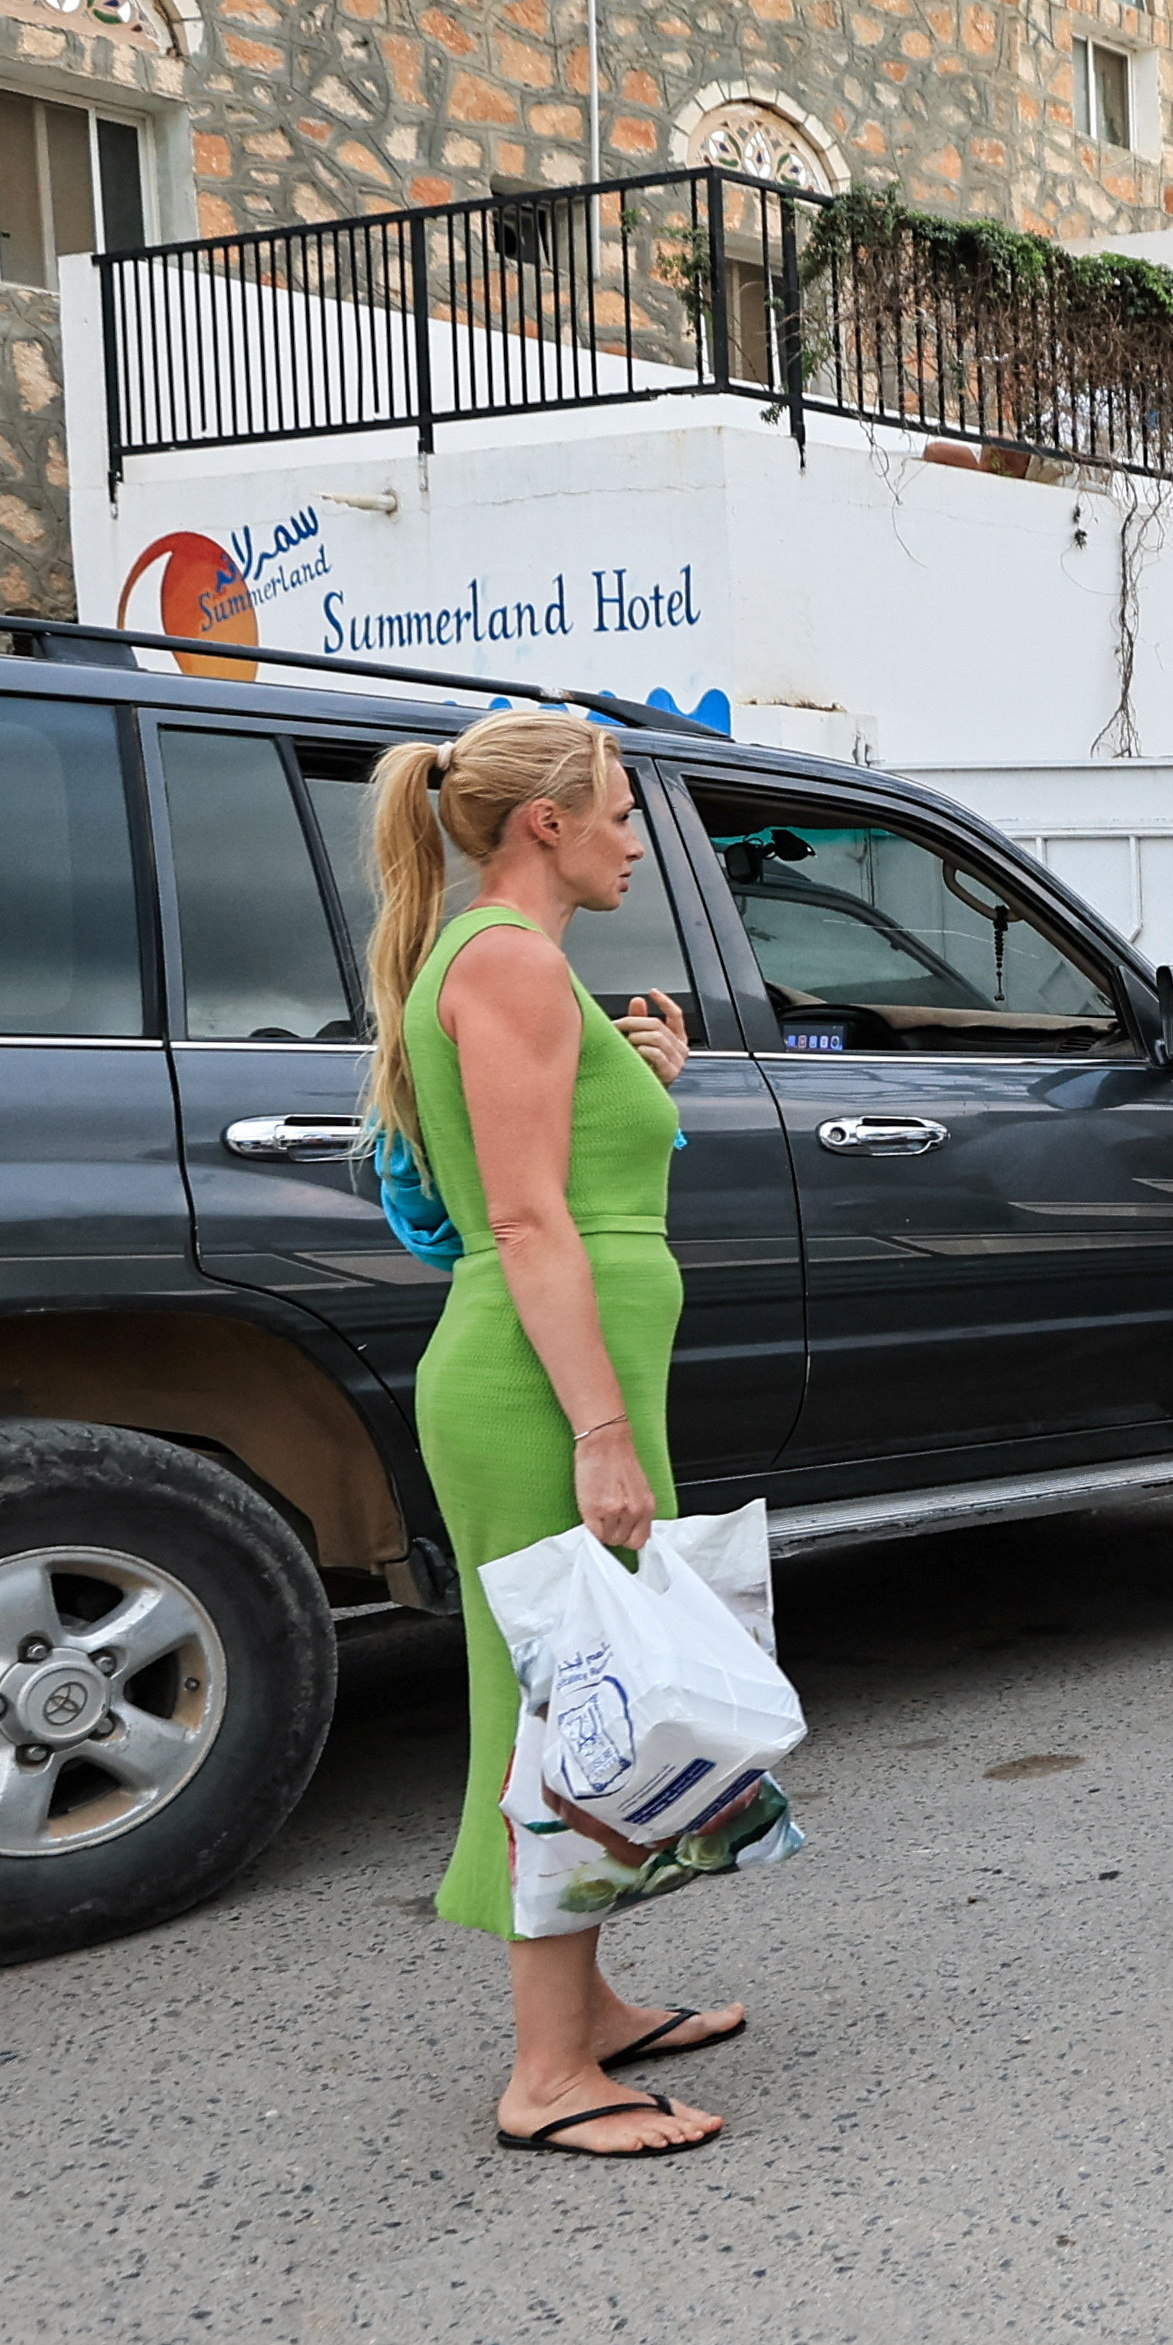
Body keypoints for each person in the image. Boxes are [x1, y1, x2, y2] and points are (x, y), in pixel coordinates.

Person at [371, 713, 729, 2158]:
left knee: (593, 1685)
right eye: (622, 811)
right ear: (546, 825)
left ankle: (591, 2012)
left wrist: (650, 1078)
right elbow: (519, 1218)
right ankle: (544, 2075)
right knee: (553, 1705)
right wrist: (597, 1426)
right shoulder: (510, 959)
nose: (637, 838)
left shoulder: (516, 965)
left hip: (560, 1370)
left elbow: (566, 1171)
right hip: (537, 1384)